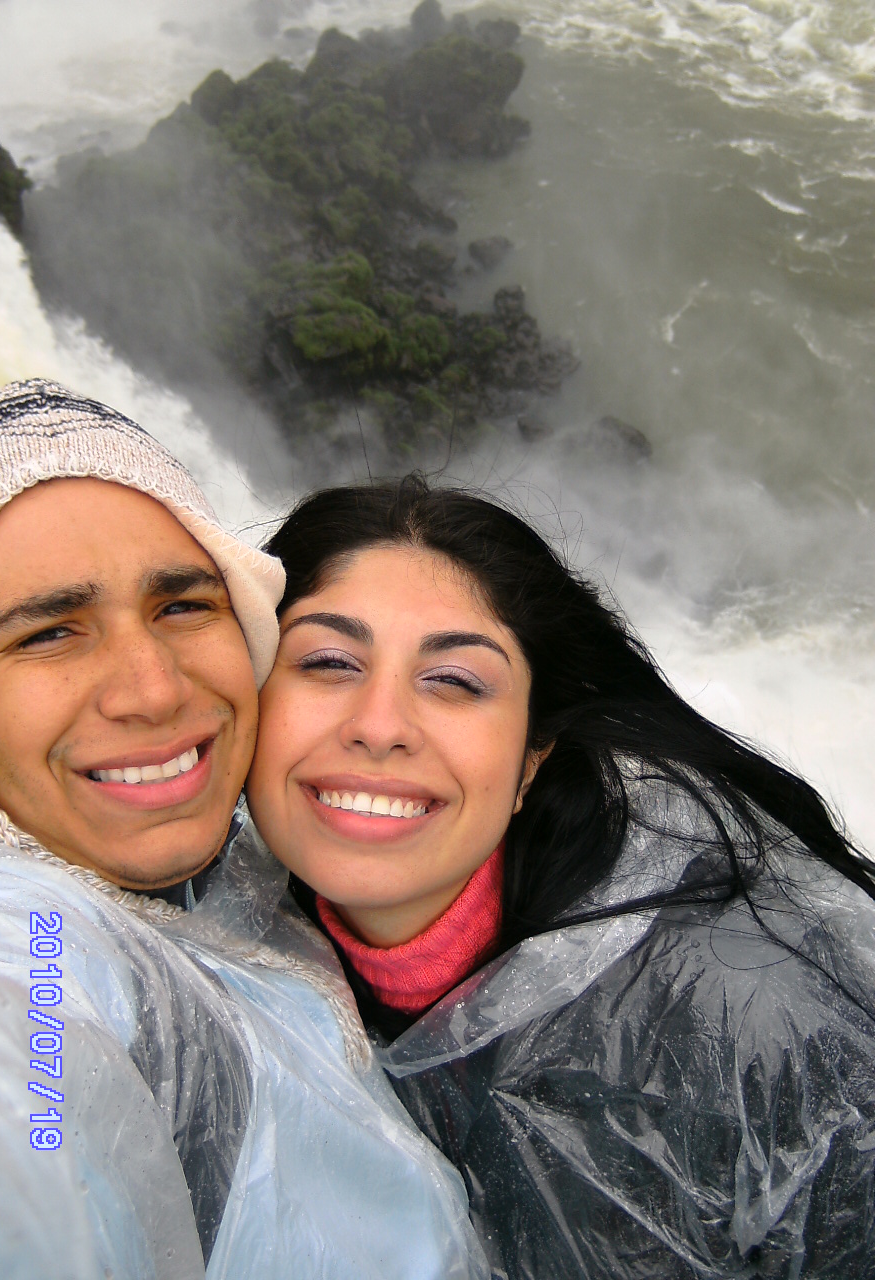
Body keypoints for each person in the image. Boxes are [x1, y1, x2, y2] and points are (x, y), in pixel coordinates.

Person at [0, 384, 487, 1280]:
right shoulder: (17, 934)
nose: (153, 689)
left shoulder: (267, 868)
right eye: (48, 634)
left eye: (183, 606)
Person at [246, 474, 875, 1279]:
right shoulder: (226, 952)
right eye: (330, 661)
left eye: (455, 681)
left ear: (530, 762)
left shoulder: (747, 1023)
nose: (379, 727)